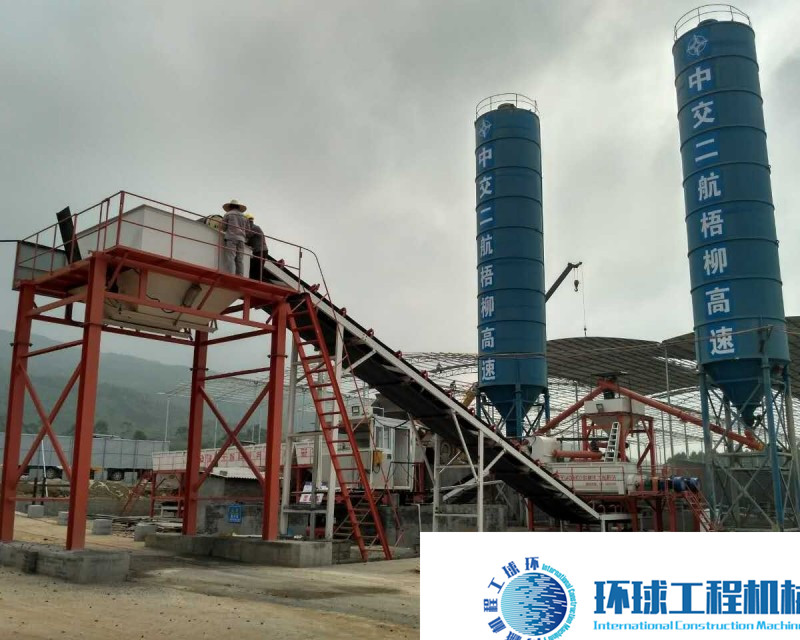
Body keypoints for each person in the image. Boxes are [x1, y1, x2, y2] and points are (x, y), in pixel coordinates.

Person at [220, 199, 248, 276]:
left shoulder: (228, 214)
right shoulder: (244, 217)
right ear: (238, 207)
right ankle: (240, 276)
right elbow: (248, 229)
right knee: (240, 259)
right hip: (242, 240)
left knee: (231, 257)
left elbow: (223, 227)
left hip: (231, 238)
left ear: (230, 207)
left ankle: (231, 275)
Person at [245, 212, 268, 281]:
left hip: (261, 251)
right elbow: (249, 241)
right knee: (254, 269)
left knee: (257, 270)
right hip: (258, 251)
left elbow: (247, 235)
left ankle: (264, 283)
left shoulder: (254, 227)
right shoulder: (252, 228)